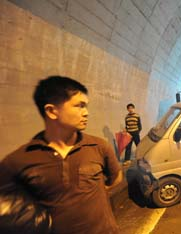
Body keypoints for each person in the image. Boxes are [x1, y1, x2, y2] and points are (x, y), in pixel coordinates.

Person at [0, 76, 123, 234]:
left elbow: (116, 177)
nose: (86, 113)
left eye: (86, 106)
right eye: (79, 106)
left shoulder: (98, 146)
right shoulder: (19, 160)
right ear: (52, 111)